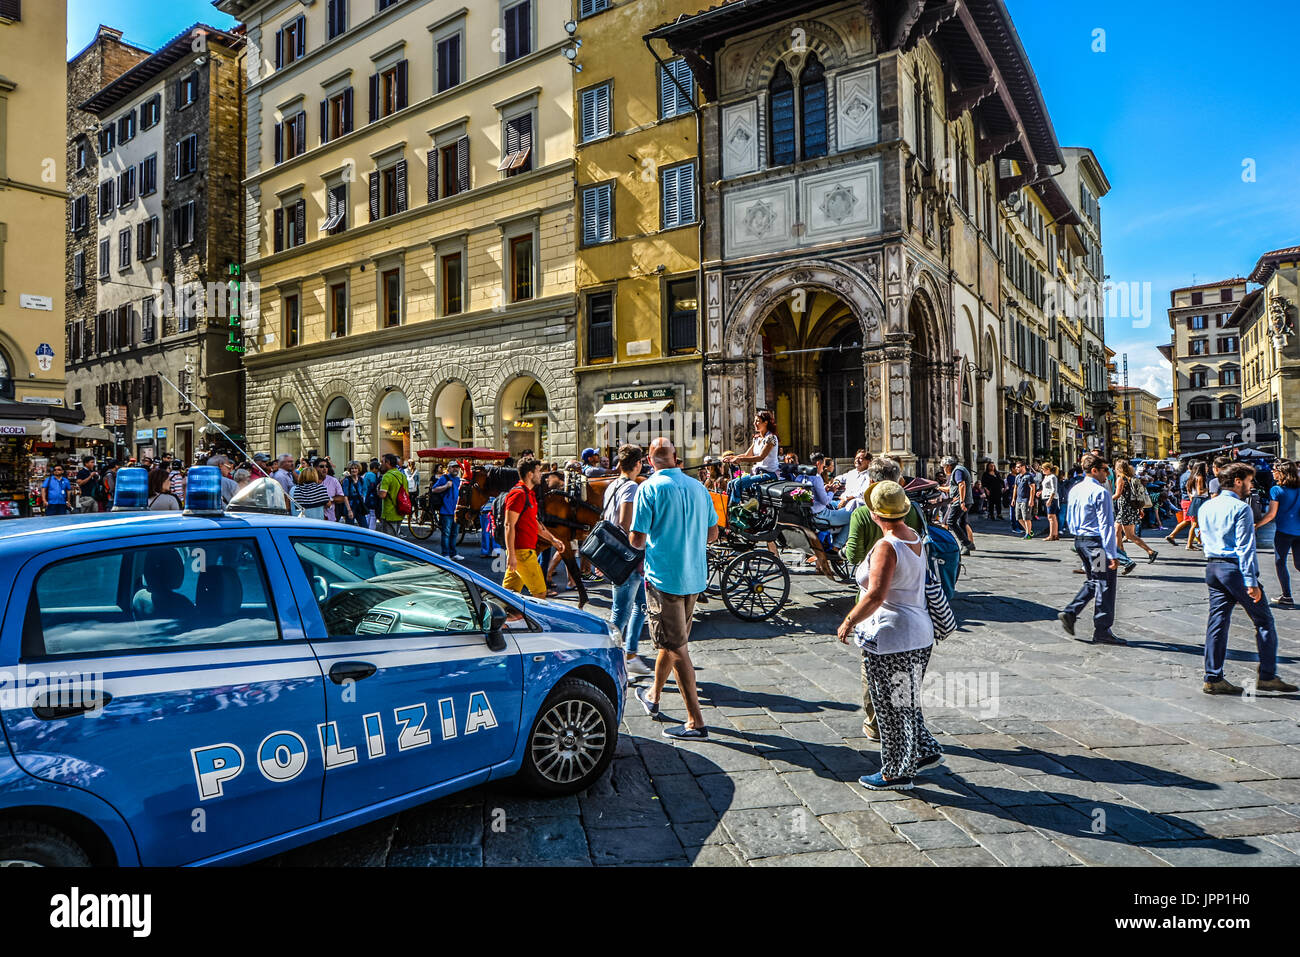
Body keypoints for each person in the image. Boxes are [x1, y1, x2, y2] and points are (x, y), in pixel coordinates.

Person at [836, 480, 942, 790]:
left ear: (875, 513)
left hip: (892, 635)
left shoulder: (887, 545)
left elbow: (875, 595)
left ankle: (896, 772)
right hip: (920, 632)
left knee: (890, 706)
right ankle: (924, 749)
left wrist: (849, 620)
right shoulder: (915, 538)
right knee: (905, 700)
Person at [629, 438, 718, 739]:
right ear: (676, 458)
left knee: (677, 647)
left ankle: (695, 721)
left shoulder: (649, 488)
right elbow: (713, 534)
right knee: (673, 641)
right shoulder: (699, 488)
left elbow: (637, 540)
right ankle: (653, 695)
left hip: (664, 577)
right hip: (693, 577)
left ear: (650, 461)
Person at [842, 455, 926, 741]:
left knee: (874, 676)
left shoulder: (864, 517)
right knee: (905, 685)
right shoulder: (912, 515)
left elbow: (855, 559)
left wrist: (849, 621)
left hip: (881, 620)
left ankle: (878, 728)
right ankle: (911, 737)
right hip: (917, 616)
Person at [1198, 462, 1298, 695]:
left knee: (1217, 623)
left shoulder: (1206, 506)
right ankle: (1267, 676)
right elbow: (1245, 548)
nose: (1252, 486)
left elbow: (1203, 537)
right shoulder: (1241, 508)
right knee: (1263, 621)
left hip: (1212, 566)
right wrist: (1251, 582)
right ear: (1237, 481)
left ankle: (1213, 677)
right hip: (1234, 569)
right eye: (1250, 481)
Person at [1058, 453, 1125, 645]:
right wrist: (1112, 553)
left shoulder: (1075, 489)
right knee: (1105, 583)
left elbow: (1070, 516)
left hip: (1080, 541)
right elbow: (1106, 525)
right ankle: (1100, 628)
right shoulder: (1101, 492)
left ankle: (1072, 613)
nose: (1108, 474)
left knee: (1095, 580)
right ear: (1094, 470)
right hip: (1095, 544)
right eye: (1105, 470)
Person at [603, 444, 651, 677]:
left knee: (642, 605)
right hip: (627, 558)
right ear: (638, 464)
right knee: (619, 613)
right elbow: (624, 522)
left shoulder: (612, 485)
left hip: (614, 555)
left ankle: (630, 653)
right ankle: (609, 659)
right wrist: (638, 551)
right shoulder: (631, 487)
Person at [502, 457, 566, 596]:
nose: (541, 475)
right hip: (522, 553)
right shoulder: (518, 494)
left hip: (523, 551)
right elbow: (509, 524)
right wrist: (511, 554)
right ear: (530, 474)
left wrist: (553, 540)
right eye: (538, 471)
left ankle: (501, 617)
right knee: (540, 593)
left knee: (508, 594)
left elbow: (536, 524)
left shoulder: (528, 494)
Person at [1256, 459, 1300, 606]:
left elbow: (1271, 514)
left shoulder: (1276, 490)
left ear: (1282, 472)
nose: (1272, 472)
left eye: (1274, 470)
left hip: (1284, 532)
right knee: (1299, 564)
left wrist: (1256, 525)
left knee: (1280, 562)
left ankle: (1287, 596)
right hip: (1299, 531)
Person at [799, 453, 853, 553]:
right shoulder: (817, 477)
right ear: (819, 463)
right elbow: (825, 501)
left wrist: (824, 489)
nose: (823, 468)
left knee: (837, 503)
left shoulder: (802, 476)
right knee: (854, 517)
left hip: (810, 511)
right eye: (823, 466)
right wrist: (832, 491)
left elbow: (814, 494)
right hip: (821, 514)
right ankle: (837, 545)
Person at [723, 411, 780, 504]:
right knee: (730, 483)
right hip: (758, 472)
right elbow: (747, 455)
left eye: (758, 421)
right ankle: (726, 508)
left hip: (770, 473)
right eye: (755, 421)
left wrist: (739, 459)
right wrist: (732, 457)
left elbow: (760, 457)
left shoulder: (771, 438)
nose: (755, 423)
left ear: (766, 422)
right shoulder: (756, 438)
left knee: (738, 483)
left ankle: (733, 509)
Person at [1114, 459, 1157, 565]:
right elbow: (1135, 495)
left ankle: (1150, 551)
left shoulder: (1121, 479)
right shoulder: (1131, 478)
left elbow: (1118, 494)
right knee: (1117, 531)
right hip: (1131, 508)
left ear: (1118, 468)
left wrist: (1105, 498)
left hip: (1125, 509)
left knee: (1129, 535)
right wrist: (1139, 509)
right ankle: (1121, 555)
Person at [940, 456, 974, 556]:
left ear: (949, 466)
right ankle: (968, 545)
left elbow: (961, 485)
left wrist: (962, 501)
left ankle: (966, 543)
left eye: (944, 467)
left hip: (959, 502)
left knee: (951, 521)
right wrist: (940, 488)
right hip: (966, 500)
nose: (944, 469)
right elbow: (952, 488)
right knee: (962, 522)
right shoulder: (958, 470)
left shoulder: (958, 471)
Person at [431, 462, 464, 560]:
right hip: (446, 511)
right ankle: (445, 554)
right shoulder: (444, 478)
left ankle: (453, 553)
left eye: (457, 468)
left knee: (454, 534)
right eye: (453, 467)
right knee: (446, 534)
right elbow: (434, 489)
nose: (456, 469)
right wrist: (445, 486)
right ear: (449, 468)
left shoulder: (459, 480)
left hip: (456, 511)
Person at [375, 453, 407, 535]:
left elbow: (382, 495)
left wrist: (377, 489)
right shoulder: (402, 475)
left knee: (389, 540)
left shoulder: (387, 476)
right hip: (400, 511)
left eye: (382, 462)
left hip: (389, 513)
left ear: (388, 462)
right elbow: (406, 494)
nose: (381, 465)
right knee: (396, 538)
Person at [1013, 461, 1037, 538]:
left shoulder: (1029, 476)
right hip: (1018, 500)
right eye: (1016, 467)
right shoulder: (1017, 477)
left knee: (1026, 517)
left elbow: (1032, 488)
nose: (1016, 468)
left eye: (1018, 467)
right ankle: (1028, 530)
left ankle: (1028, 534)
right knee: (1019, 518)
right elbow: (1015, 488)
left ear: (1023, 467)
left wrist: (1031, 499)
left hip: (1026, 500)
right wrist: (1013, 499)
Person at [341, 461, 368, 527]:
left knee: (365, 527)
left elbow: (364, 491)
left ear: (359, 469)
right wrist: (349, 510)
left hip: (359, 506)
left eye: (356, 468)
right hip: (350, 505)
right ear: (349, 470)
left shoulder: (361, 480)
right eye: (352, 468)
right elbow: (345, 496)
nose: (354, 470)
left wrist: (363, 498)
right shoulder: (347, 480)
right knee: (350, 528)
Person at [1041, 463, 1061, 541]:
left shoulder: (1053, 477)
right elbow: (1046, 488)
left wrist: (1050, 499)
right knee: (1053, 517)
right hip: (1046, 497)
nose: (1042, 470)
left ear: (1048, 469)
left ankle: (1051, 535)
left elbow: (1054, 489)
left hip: (1051, 498)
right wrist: (1041, 491)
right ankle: (1055, 534)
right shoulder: (1046, 477)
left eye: (1043, 469)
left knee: (1051, 517)